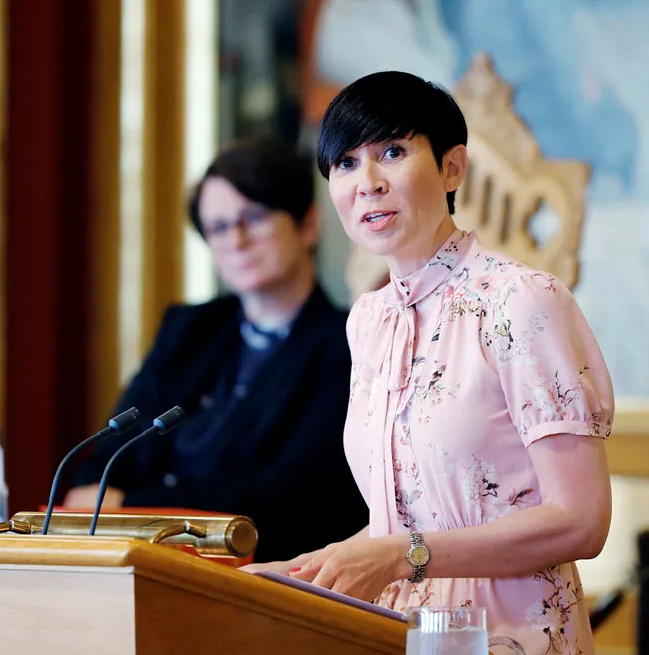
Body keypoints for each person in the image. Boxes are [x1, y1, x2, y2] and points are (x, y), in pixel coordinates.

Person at [243, 73, 615, 653]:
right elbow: (406, 517)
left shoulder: (520, 301)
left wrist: (399, 556)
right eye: (345, 163)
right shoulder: (368, 320)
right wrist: (305, 570)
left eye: (392, 152)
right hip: (397, 635)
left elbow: (580, 520)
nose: (367, 182)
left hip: (510, 636)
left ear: (452, 168)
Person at [66, 136, 369, 564]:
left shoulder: (348, 342)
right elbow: (108, 456)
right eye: (219, 228)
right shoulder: (189, 330)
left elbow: (296, 496)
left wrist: (133, 503)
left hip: (268, 570)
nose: (237, 240)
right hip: (147, 565)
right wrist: (104, 495)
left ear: (307, 225)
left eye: (255, 217)